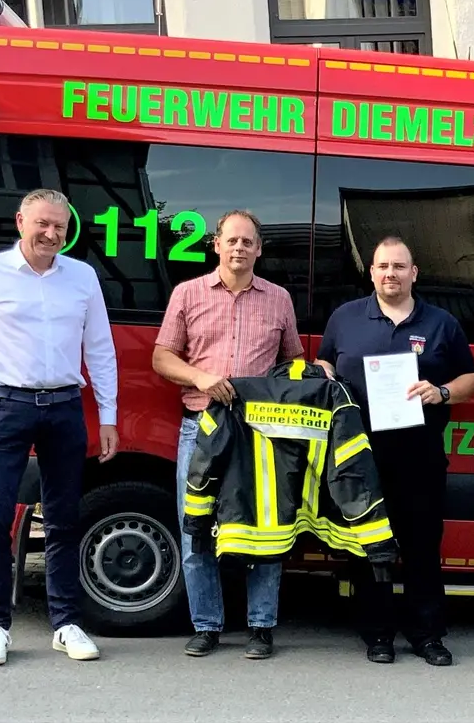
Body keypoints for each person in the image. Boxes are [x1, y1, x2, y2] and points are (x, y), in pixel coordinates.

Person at [0, 188, 119, 666]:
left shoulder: (81, 277)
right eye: (42, 223)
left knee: (65, 520)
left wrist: (108, 416)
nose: (50, 233)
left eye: (59, 227)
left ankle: (65, 624)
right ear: (20, 220)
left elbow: (100, 350)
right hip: (4, 407)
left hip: (65, 407)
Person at [316, 236, 474, 666]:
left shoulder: (441, 323)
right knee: (370, 547)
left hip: (420, 456)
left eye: (399, 266)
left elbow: (472, 380)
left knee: (423, 548)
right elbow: (326, 366)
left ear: (414, 273)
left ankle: (427, 636)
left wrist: (442, 391)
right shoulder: (345, 318)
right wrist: (324, 373)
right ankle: (378, 635)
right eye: (383, 266)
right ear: (371, 272)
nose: (391, 274)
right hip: (359, 458)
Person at [153, 209, 304, 660]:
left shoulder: (279, 299)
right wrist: (200, 378)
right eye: (231, 240)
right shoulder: (187, 293)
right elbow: (162, 357)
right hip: (200, 428)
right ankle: (206, 625)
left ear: (260, 249)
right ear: (215, 244)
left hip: (260, 434)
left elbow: (293, 360)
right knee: (195, 529)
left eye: (248, 242)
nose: (239, 248)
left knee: (265, 531)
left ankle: (260, 626)